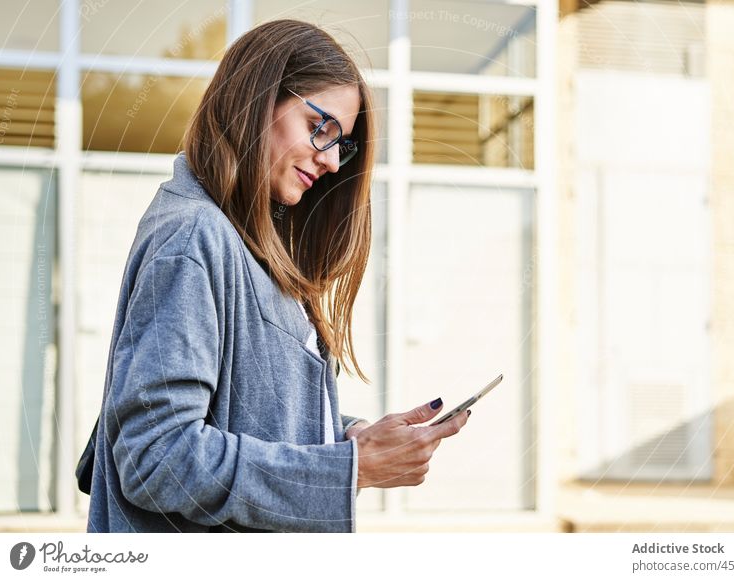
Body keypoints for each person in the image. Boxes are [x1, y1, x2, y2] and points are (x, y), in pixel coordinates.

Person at [84, 19, 470, 533]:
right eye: (321, 127)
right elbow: (157, 460)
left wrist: (351, 440)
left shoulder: (252, 246)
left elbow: (246, 419)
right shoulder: (192, 239)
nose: (333, 161)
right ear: (257, 100)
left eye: (342, 143)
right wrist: (347, 470)